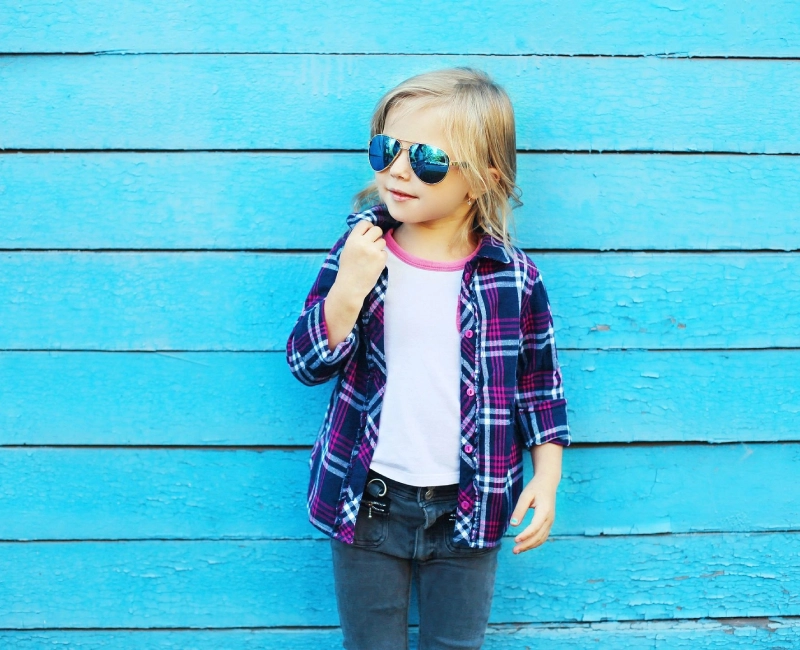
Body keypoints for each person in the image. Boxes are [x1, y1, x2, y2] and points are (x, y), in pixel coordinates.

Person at [285, 66, 571, 650]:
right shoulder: (360, 251)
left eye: (429, 159)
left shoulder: (512, 279)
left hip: (471, 505)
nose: (398, 170)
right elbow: (305, 362)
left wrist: (547, 475)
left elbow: (538, 386)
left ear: (481, 180)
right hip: (368, 502)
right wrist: (349, 289)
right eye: (387, 148)